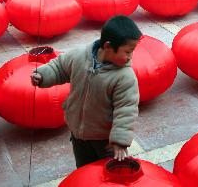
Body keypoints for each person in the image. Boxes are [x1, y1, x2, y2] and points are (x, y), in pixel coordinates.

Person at [30, 15, 142, 168]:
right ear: (108, 46)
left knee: (105, 174)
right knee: (83, 170)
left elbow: (126, 110)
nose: (130, 56)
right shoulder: (79, 56)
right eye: (127, 52)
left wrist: (120, 141)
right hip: (78, 135)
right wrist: (43, 75)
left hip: (106, 141)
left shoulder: (125, 77)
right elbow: (59, 67)